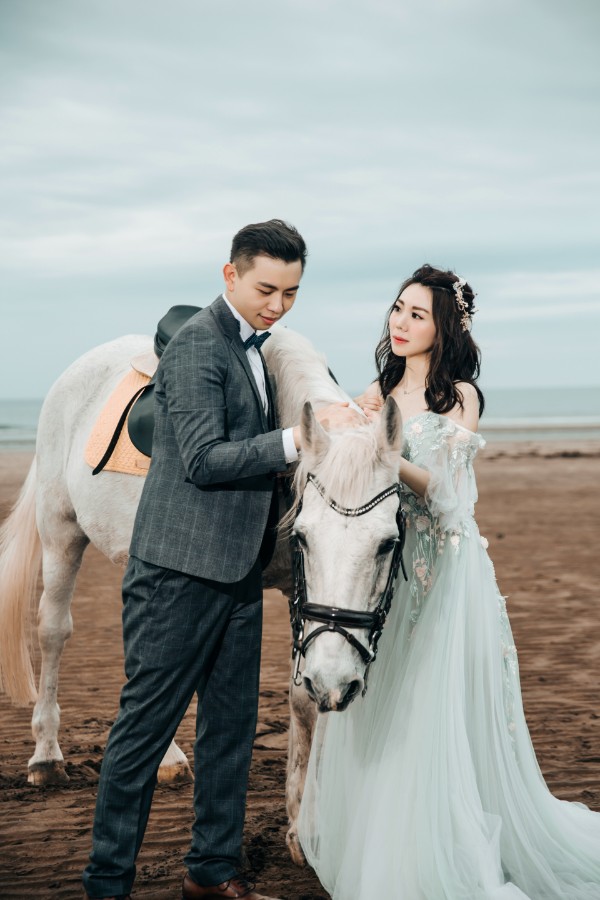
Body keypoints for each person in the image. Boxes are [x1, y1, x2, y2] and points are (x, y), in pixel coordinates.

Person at [297, 265, 600, 899]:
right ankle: (382, 849)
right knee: (379, 710)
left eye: (418, 315)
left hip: (445, 576)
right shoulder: (374, 394)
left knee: (427, 712)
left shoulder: (458, 396)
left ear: (444, 328)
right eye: (398, 310)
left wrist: (386, 454)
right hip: (387, 577)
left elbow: (452, 498)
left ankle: (436, 855)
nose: (401, 324)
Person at [82, 219, 361, 900]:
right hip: (176, 572)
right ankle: (106, 882)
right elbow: (205, 462)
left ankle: (211, 874)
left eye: (292, 293)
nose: (278, 305)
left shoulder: (259, 350)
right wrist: (301, 441)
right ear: (230, 275)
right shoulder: (199, 347)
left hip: (238, 572)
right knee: (144, 733)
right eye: (267, 288)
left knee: (230, 732)